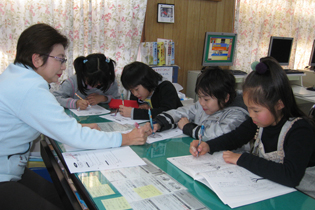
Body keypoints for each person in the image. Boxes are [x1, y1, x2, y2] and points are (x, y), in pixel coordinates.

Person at [0, 23, 148, 210]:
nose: (63, 66)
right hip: (4, 171)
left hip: (10, 167)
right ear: (37, 59)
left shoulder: (17, 76)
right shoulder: (30, 87)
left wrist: (78, 128)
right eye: (60, 59)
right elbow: (73, 136)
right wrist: (126, 138)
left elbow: (47, 122)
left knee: (61, 198)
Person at [190, 57, 315, 198]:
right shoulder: (259, 121)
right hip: (273, 188)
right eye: (248, 108)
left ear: (279, 104)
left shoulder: (300, 131)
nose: (251, 115)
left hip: (304, 196)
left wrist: (242, 159)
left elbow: (290, 176)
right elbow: (235, 137)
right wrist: (208, 146)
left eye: (256, 110)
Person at [147, 67, 249, 141]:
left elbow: (219, 134)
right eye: (199, 97)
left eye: (206, 99)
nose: (201, 102)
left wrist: (188, 128)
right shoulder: (204, 106)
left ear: (225, 98)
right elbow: (184, 112)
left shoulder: (237, 115)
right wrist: (160, 122)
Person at [53, 53, 119, 110]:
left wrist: (104, 98)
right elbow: (56, 98)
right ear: (84, 74)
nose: (98, 84)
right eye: (93, 81)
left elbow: (117, 99)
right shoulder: (72, 82)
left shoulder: (109, 82)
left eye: (101, 82)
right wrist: (75, 103)